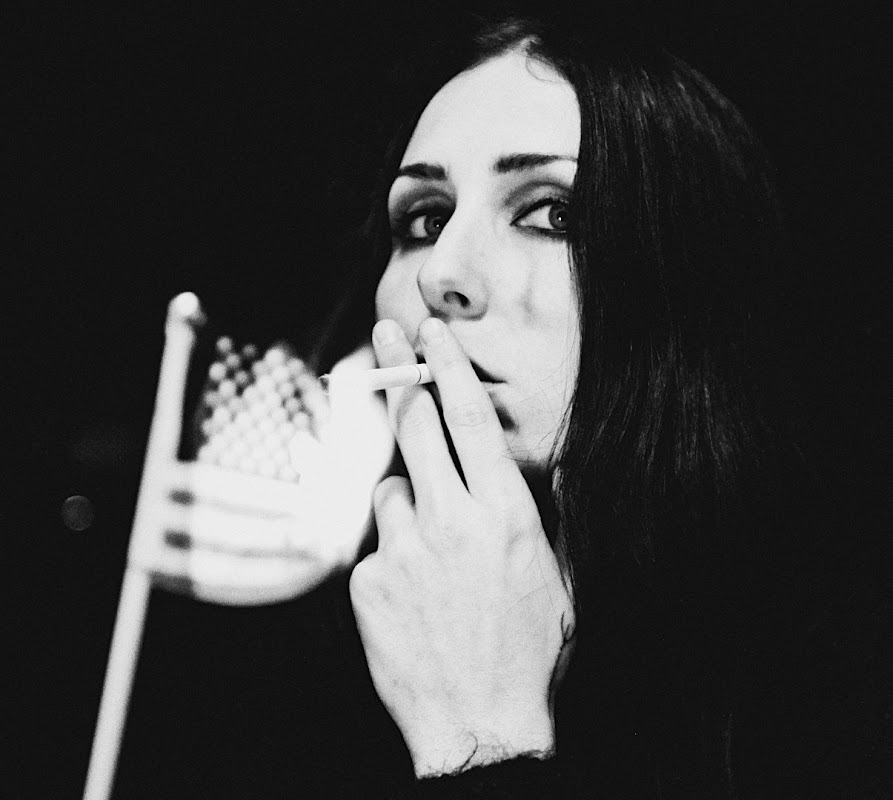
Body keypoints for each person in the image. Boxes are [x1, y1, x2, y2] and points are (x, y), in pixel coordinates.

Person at [150, 12, 829, 797]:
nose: (441, 272)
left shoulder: (825, 683)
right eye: (425, 219)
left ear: (691, 281)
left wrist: (482, 733)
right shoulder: (277, 708)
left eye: (551, 213)